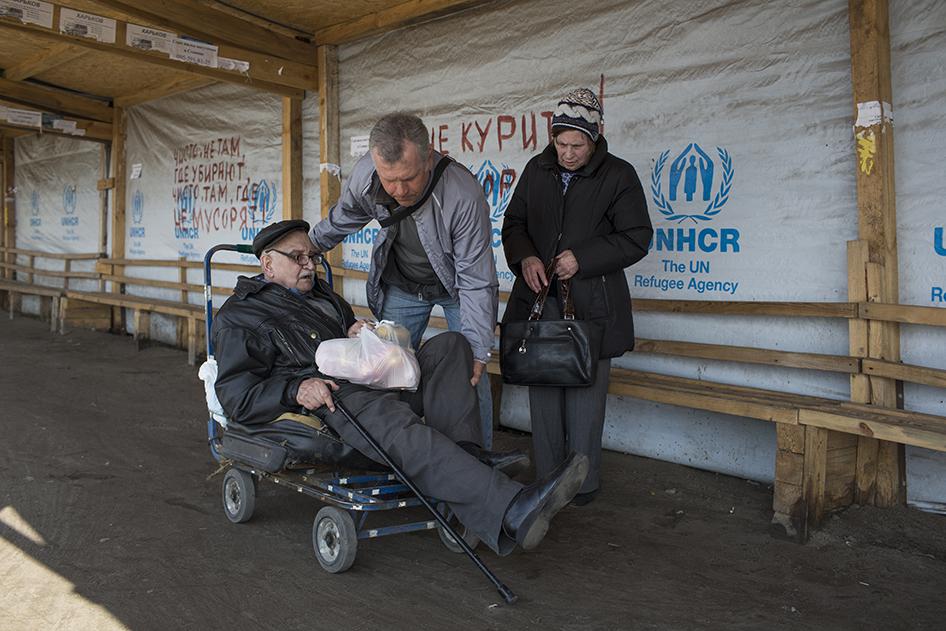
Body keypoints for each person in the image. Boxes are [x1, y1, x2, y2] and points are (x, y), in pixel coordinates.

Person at [212, 220, 588, 554]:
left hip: (370, 380)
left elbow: (349, 336)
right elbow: (236, 397)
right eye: (298, 257)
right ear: (267, 264)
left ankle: (466, 457)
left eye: (311, 255)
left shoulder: (323, 295)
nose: (309, 264)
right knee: (393, 420)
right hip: (334, 400)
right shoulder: (241, 316)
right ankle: (511, 507)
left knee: (451, 346)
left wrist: (359, 331)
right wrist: (295, 388)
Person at [501, 88, 653, 506]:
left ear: (596, 136)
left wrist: (582, 259)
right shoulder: (536, 169)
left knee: (586, 397)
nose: (567, 153)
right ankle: (549, 480)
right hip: (540, 299)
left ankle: (582, 484)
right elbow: (513, 224)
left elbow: (637, 237)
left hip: (593, 303)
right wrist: (526, 256)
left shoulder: (618, 176)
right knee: (544, 390)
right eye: (561, 143)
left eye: (577, 145)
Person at [309, 112, 498, 448]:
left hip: (456, 287)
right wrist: (306, 246)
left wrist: (479, 349)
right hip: (403, 283)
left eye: (408, 178)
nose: (398, 190)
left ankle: (478, 459)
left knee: (469, 373)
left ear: (428, 157)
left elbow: (475, 277)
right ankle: (398, 452)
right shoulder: (367, 174)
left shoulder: (462, 194)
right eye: (389, 179)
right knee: (386, 369)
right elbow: (344, 217)